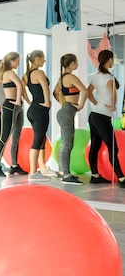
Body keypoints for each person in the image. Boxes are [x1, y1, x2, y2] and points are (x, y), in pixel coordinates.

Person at [87, 49, 125, 187]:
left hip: (94, 115)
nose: (113, 61)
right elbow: (113, 94)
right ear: (109, 60)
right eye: (112, 59)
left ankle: (95, 176)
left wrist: (97, 104)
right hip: (102, 116)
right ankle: (121, 178)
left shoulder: (96, 77)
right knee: (112, 147)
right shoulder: (109, 78)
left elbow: (88, 92)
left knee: (95, 147)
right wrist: (112, 106)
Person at [52, 53, 88, 185]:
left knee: (65, 144)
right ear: (72, 63)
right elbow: (85, 91)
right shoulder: (71, 77)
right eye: (76, 62)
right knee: (67, 144)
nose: (77, 64)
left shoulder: (62, 78)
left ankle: (63, 172)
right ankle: (66, 175)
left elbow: (55, 93)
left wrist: (65, 104)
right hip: (67, 112)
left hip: (65, 111)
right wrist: (80, 105)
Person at [0, 52, 24, 177]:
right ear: (11, 62)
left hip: (15, 105)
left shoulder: (8, 73)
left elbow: (19, 86)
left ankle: (12, 166)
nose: (18, 63)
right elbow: (19, 85)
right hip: (10, 106)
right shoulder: (9, 73)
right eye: (17, 61)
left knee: (12, 137)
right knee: (3, 138)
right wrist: (17, 100)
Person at [22, 50, 53, 181]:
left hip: (32, 109)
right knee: (37, 141)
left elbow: (21, 87)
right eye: (43, 58)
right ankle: (33, 173)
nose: (44, 61)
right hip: (40, 110)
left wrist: (29, 101)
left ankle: (42, 167)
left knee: (41, 139)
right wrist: (46, 102)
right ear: (37, 59)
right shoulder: (39, 73)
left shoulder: (27, 74)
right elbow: (45, 88)